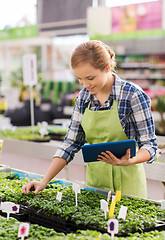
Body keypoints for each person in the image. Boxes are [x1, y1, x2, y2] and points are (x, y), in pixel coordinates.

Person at [22, 40, 158, 198]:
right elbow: (70, 143)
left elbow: (150, 146)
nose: (85, 84)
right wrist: (44, 181)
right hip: (95, 186)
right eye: (80, 79)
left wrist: (129, 160)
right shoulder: (83, 98)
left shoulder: (132, 95)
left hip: (129, 187)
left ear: (107, 68)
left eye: (90, 78)